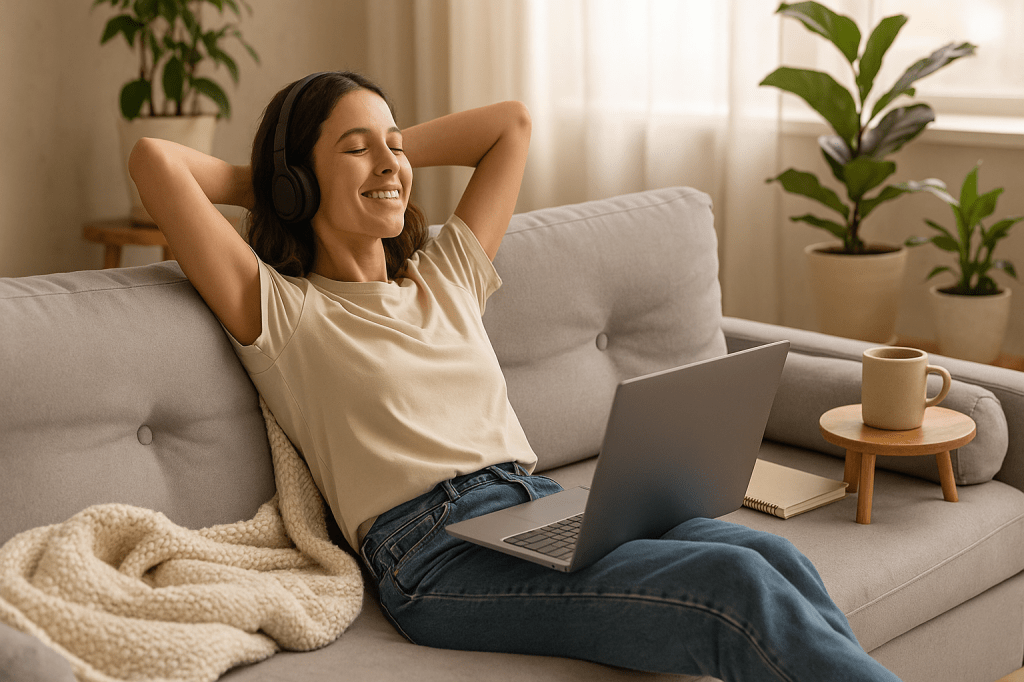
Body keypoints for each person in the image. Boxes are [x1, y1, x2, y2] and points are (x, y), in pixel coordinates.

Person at [129, 70, 902, 682]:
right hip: (432, 556)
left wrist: (386, 151)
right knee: (733, 585)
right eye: (355, 147)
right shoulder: (286, 312)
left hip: (535, 505)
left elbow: (510, 125)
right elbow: (154, 161)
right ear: (298, 182)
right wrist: (273, 176)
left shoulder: (446, 277)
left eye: (395, 144)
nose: (391, 163)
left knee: (774, 557)